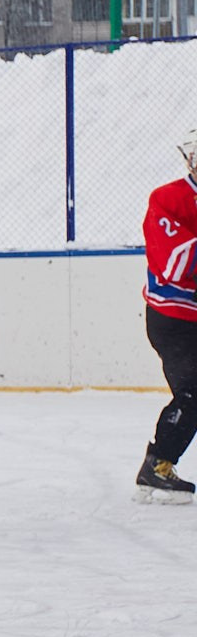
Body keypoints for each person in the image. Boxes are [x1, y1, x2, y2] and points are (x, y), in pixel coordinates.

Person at [135, 127, 197, 502]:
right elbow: (176, 261)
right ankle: (157, 466)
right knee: (192, 393)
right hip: (173, 323)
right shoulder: (167, 198)